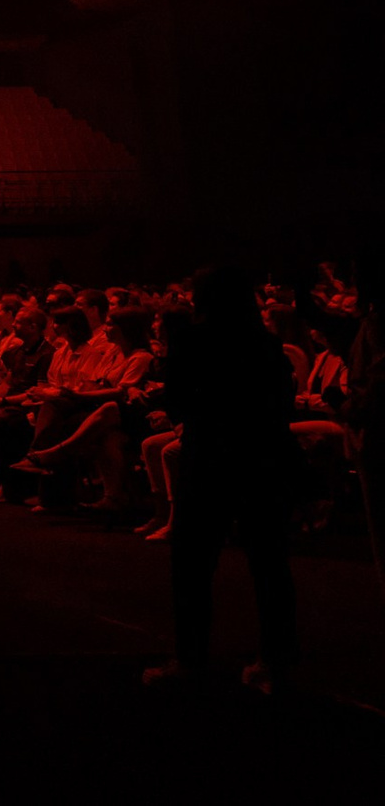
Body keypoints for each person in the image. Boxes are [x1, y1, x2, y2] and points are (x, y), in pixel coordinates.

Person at [146, 265, 299, 693]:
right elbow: (282, 401)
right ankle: (275, 658)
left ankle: (190, 658)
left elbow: (175, 398)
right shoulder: (265, 343)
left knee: (193, 563)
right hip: (261, 456)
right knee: (269, 562)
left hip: (209, 455)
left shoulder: (192, 341)